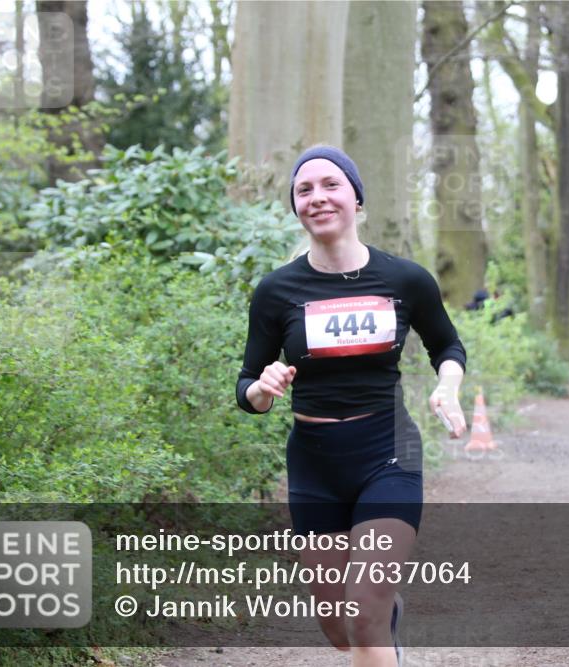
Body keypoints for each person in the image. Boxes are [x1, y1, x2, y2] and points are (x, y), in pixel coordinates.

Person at [235, 145, 467, 667]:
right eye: (304, 189)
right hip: (315, 465)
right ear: (296, 206)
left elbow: (447, 347)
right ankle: (387, 622)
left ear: (357, 200)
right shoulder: (276, 290)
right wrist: (262, 388)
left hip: (388, 454)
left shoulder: (405, 280)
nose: (318, 197)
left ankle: (379, 619)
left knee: (363, 611)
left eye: (331, 185)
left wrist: (447, 386)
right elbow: (247, 384)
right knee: (339, 626)